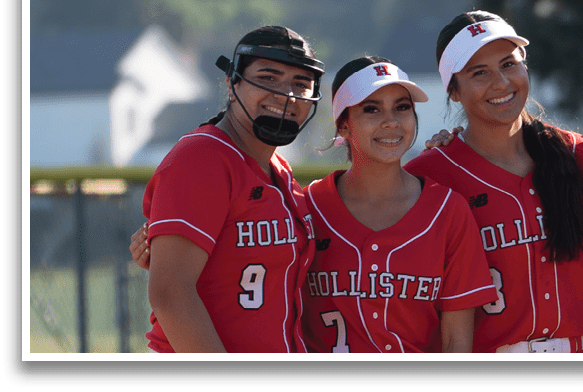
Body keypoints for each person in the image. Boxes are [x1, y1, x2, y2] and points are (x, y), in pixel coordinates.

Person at [404, 11, 583, 353]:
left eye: (509, 64)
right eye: (479, 72)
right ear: (452, 90)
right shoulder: (429, 176)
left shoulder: (575, 154)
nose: (500, 83)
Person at [140, 26, 324, 352]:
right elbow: (170, 294)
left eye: (301, 83)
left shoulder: (278, 169)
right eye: (268, 77)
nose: (286, 94)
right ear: (231, 82)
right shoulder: (202, 157)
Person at [301, 56, 497, 353]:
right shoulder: (306, 208)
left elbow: (457, 343)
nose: (391, 120)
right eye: (371, 109)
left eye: (402, 107)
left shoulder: (448, 211)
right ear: (343, 125)